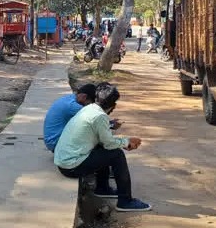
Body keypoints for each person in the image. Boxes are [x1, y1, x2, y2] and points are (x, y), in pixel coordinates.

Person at [54, 83, 151, 212]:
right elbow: (109, 143)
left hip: (64, 162)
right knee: (117, 154)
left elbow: (104, 140)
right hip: (71, 166)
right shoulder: (100, 116)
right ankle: (125, 201)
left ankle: (103, 188)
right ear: (113, 105)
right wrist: (127, 142)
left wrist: (124, 142)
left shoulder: (89, 109)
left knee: (106, 149)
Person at [43, 84, 97, 152]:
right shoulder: (73, 106)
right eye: (88, 104)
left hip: (51, 141)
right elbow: (96, 120)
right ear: (84, 96)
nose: (87, 106)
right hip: (56, 144)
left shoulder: (69, 98)